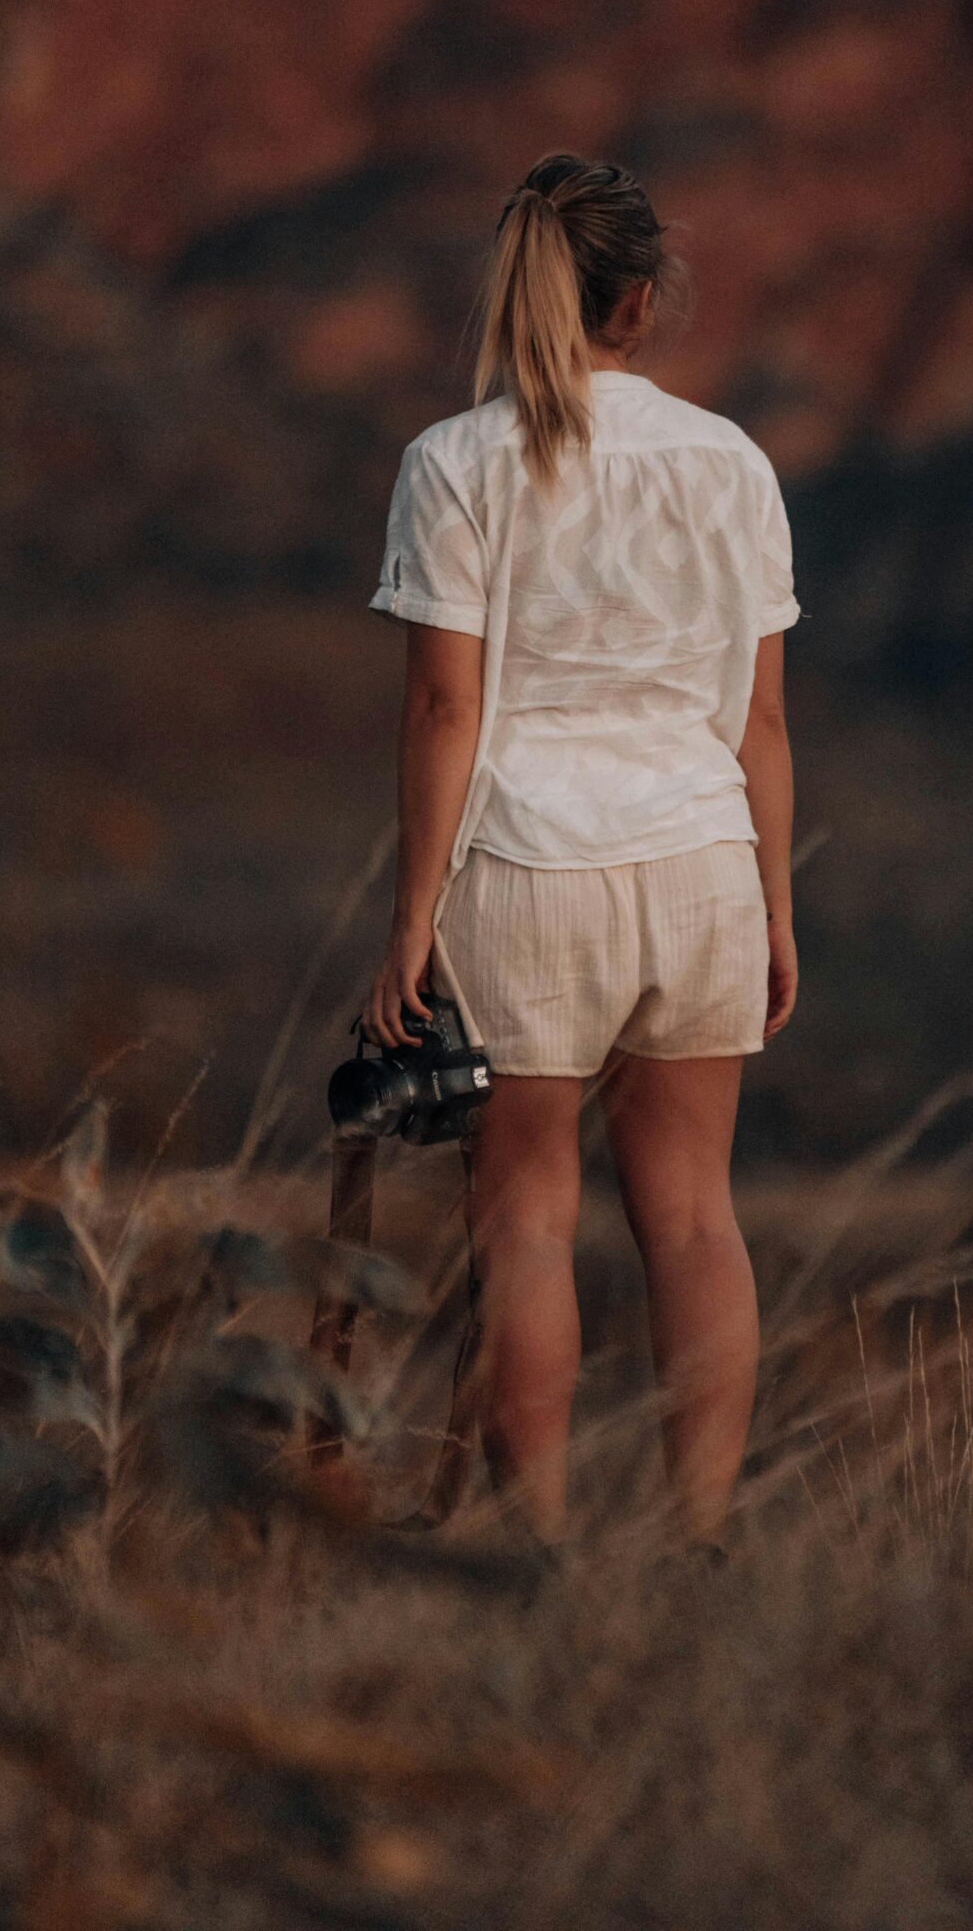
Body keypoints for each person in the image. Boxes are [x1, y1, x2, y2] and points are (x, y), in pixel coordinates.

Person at [361, 152, 800, 1550]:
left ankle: (536, 1549)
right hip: (703, 866)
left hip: (529, 874)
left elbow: (445, 709)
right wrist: (778, 911)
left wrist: (410, 917)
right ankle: (702, 1540)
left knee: (529, 1225)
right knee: (693, 1219)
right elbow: (765, 721)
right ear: (645, 299)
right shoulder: (732, 462)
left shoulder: (455, 464)